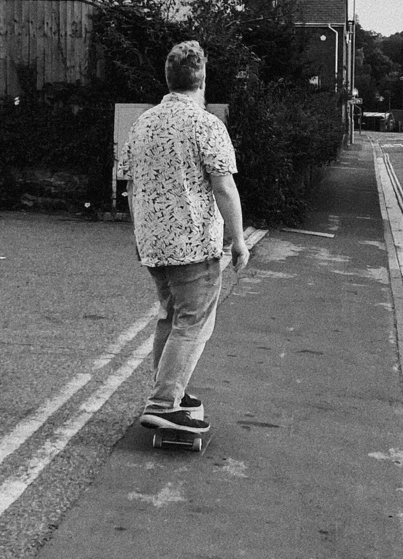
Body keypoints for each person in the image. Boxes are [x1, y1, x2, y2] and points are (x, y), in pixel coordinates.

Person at [118, 40, 249, 435]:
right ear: (203, 78)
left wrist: (139, 231)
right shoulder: (207, 125)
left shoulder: (143, 123)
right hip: (193, 244)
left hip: (154, 243)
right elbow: (224, 188)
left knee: (169, 317)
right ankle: (163, 402)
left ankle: (166, 392)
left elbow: (130, 184)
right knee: (193, 323)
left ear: (168, 77)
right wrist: (238, 239)